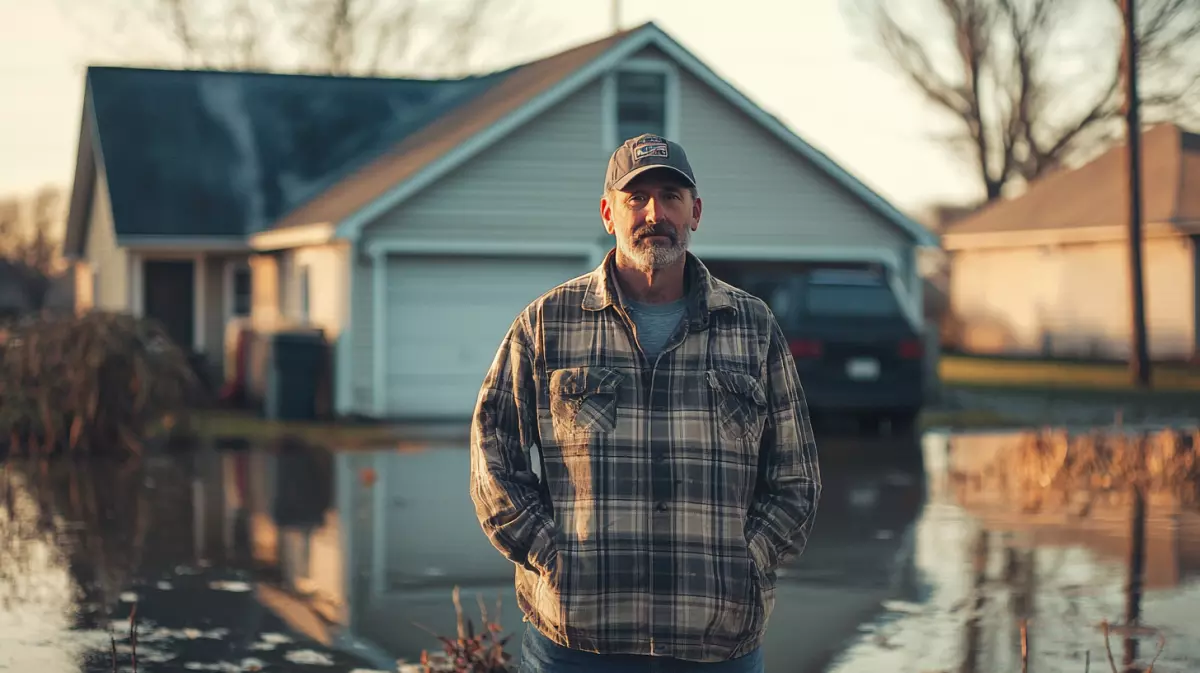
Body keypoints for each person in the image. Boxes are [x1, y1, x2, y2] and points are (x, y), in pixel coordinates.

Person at [469, 133, 821, 673]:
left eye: (671, 196)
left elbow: (796, 480)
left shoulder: (752, 327)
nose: (654, 212)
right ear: (609, 212)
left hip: (717, 639)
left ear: (695, 212)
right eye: (636, 197)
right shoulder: (546, 324)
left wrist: (745, 561)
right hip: (577, 641)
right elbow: (493, 460)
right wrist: (553, 557)